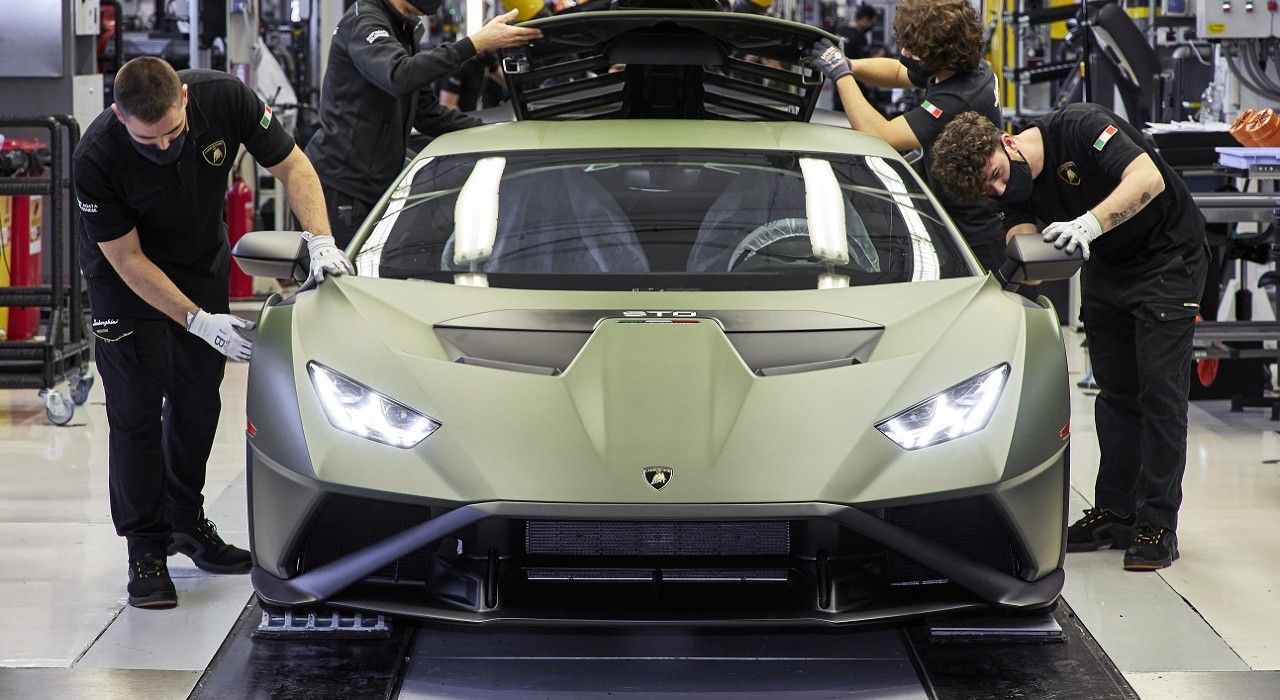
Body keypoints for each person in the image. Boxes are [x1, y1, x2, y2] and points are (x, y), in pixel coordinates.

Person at [72, 57, 352, 608]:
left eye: (173, 133)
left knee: (199, 403)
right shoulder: (96, 156)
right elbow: (127, 260)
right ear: (117, 116)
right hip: (125, 288)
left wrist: (321, 242)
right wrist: (199, 322)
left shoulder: (226, 98)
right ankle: (146, 548)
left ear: (184, 97)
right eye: (147, 140)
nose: (163, 147)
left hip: (199, 266)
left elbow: (295, 166)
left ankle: (187, 522)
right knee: (135, 414)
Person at [928, 105, 1209, 571]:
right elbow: (1023, 243)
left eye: (997, 174)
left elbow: (1147, 179)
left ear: (1008, 141)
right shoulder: (1007, 188)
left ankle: (1157, 523)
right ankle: (1116, 512)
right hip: (1108, 266)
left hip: (1168, 259)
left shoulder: (1081, 128)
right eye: (988, 190)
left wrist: (1086, 225)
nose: (999, 189)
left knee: (1159, 392)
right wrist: (1003, 284)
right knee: (1115, 393)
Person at [306, 0, 541, 247]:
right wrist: (476, 43)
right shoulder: (364, 21)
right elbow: (399, 75)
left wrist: (497, 132)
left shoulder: (404, 30)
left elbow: (427, 113)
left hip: (376, 187)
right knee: (345, 278)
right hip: (342, 186)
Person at [807, 0, 1006, 272]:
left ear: (939, 52)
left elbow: (880, 135)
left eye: (914, 49)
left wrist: (840, 74)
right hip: (952, 219)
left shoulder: (958, 97)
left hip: (973, 235)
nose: (904, 52)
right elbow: (899, 71)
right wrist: (849, 64)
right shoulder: (966, 68)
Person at [830, 4, 878, 112]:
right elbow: (867, 62)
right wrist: (881, 54)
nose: (872, 25)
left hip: (838, 82)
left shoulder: (840, 30)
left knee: (838, 115)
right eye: (872, 22)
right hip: (855, 84)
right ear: (865, 19)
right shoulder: (860, 36)